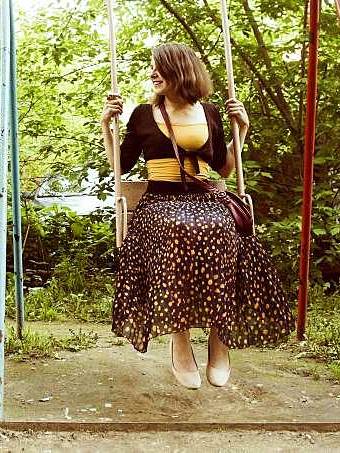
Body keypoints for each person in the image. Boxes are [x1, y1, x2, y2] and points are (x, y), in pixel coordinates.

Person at [100, 43, 291, 388]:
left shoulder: (211, 113)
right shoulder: (143, 114)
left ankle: (220, 340)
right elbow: (121, 166)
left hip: (203, 197)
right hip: (160, 200)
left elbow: (225, 169)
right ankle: (180, 339)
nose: (152, 74)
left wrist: (241, 132)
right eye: (152, 69)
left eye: (159, 68)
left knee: (222, 228)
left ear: (180, 71)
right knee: (175, 228)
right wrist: (105, 125)